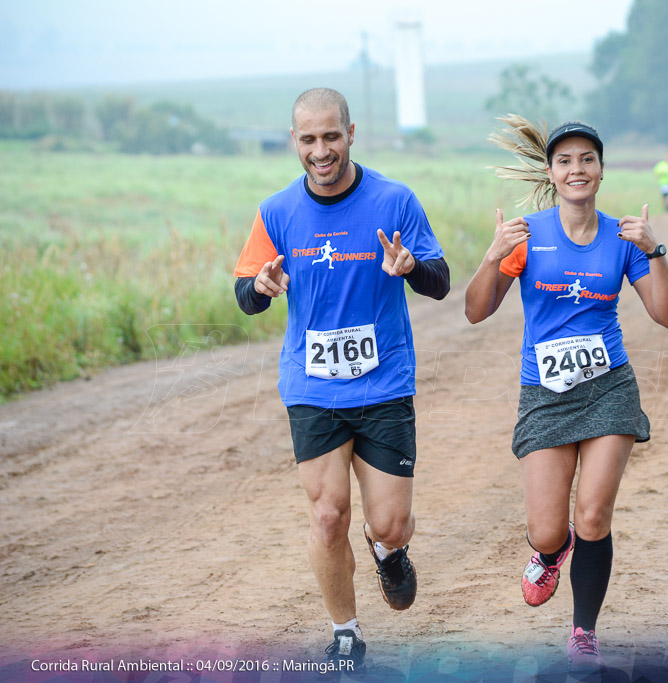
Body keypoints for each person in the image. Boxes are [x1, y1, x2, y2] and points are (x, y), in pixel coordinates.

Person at [232, 87, 450, 669]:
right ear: (294, 142)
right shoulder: (276, 211)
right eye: (309, 139)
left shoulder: (395, 200)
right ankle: (345, 632)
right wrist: (259, 288)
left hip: (383, 384)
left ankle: (387, 551)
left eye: (331, 136)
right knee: (328, 515)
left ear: (351, 133)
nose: (321, 150)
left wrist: (411, 268)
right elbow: (246, 294)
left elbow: (440, 279)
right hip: (313, 386)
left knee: (391, 521)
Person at [465, 117, 668, 672]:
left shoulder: (623, 238)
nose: (577, 169)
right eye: (566, 161)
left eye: (587, 159)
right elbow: (476, 310)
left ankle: (583, 630)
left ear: (601, 171)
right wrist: (493, 255)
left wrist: (655, 251)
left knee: (592, 516)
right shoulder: (527, 235)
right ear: (552, 173)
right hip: (544, 391)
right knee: (548, 529)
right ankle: (550, 552)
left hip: (608, 387)